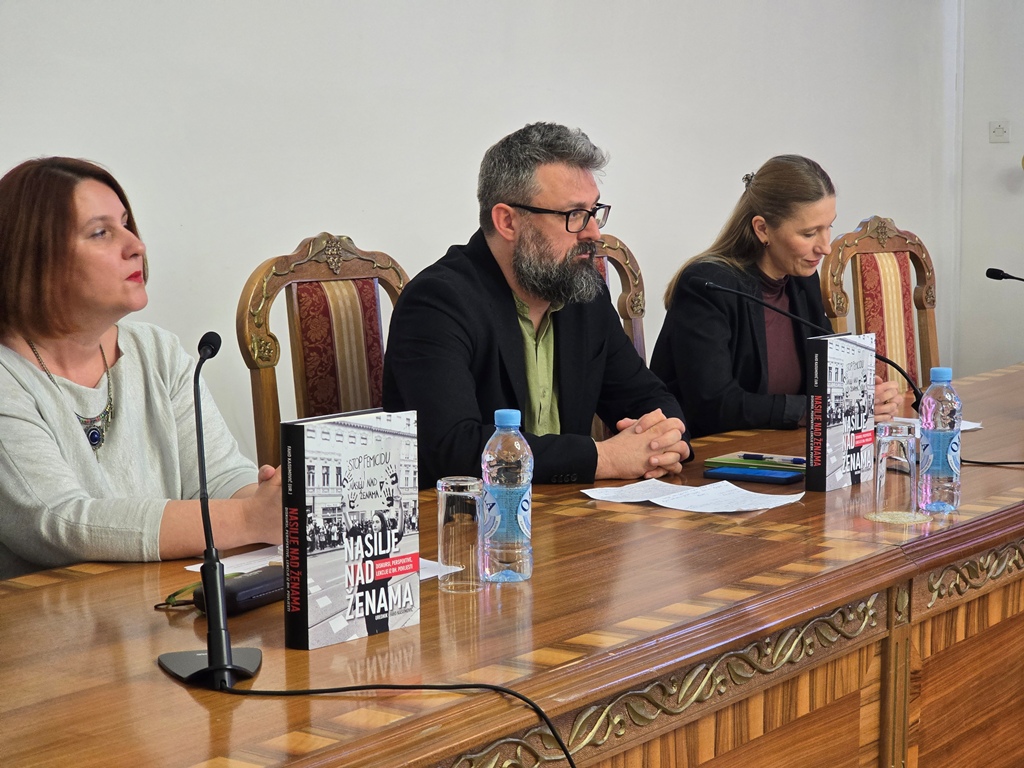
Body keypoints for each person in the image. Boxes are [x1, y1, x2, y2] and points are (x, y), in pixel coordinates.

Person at [0, 157, 282, 579]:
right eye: (101, 232)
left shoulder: (156, 351)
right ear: (35, 259)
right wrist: (249, 519)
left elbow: (220, 477)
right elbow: (58, 522)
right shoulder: (8, 376)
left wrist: (272, 501)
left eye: (126, 224)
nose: (136, 245)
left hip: (163, 599)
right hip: (55, 614)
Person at [383, 122, 690, 488]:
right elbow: (451, 447)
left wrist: (661, 443)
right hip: (471, 518)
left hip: (569, 510)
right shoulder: (437, 303)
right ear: (508, 221)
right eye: (574, 215)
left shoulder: (584, 293)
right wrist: (604, 458)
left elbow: (650, 400)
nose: (593, 233)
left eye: (594, 211)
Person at [650, 154, 903, 438]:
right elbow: (715, 405)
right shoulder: (708, 286)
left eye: (828, 227)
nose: (825, 247)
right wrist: (819, 409)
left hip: (782, 446)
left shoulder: (802, 279)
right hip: (710, 451)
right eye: (809, 233)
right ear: (762, 229)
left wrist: (863, 395)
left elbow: (826, 379)